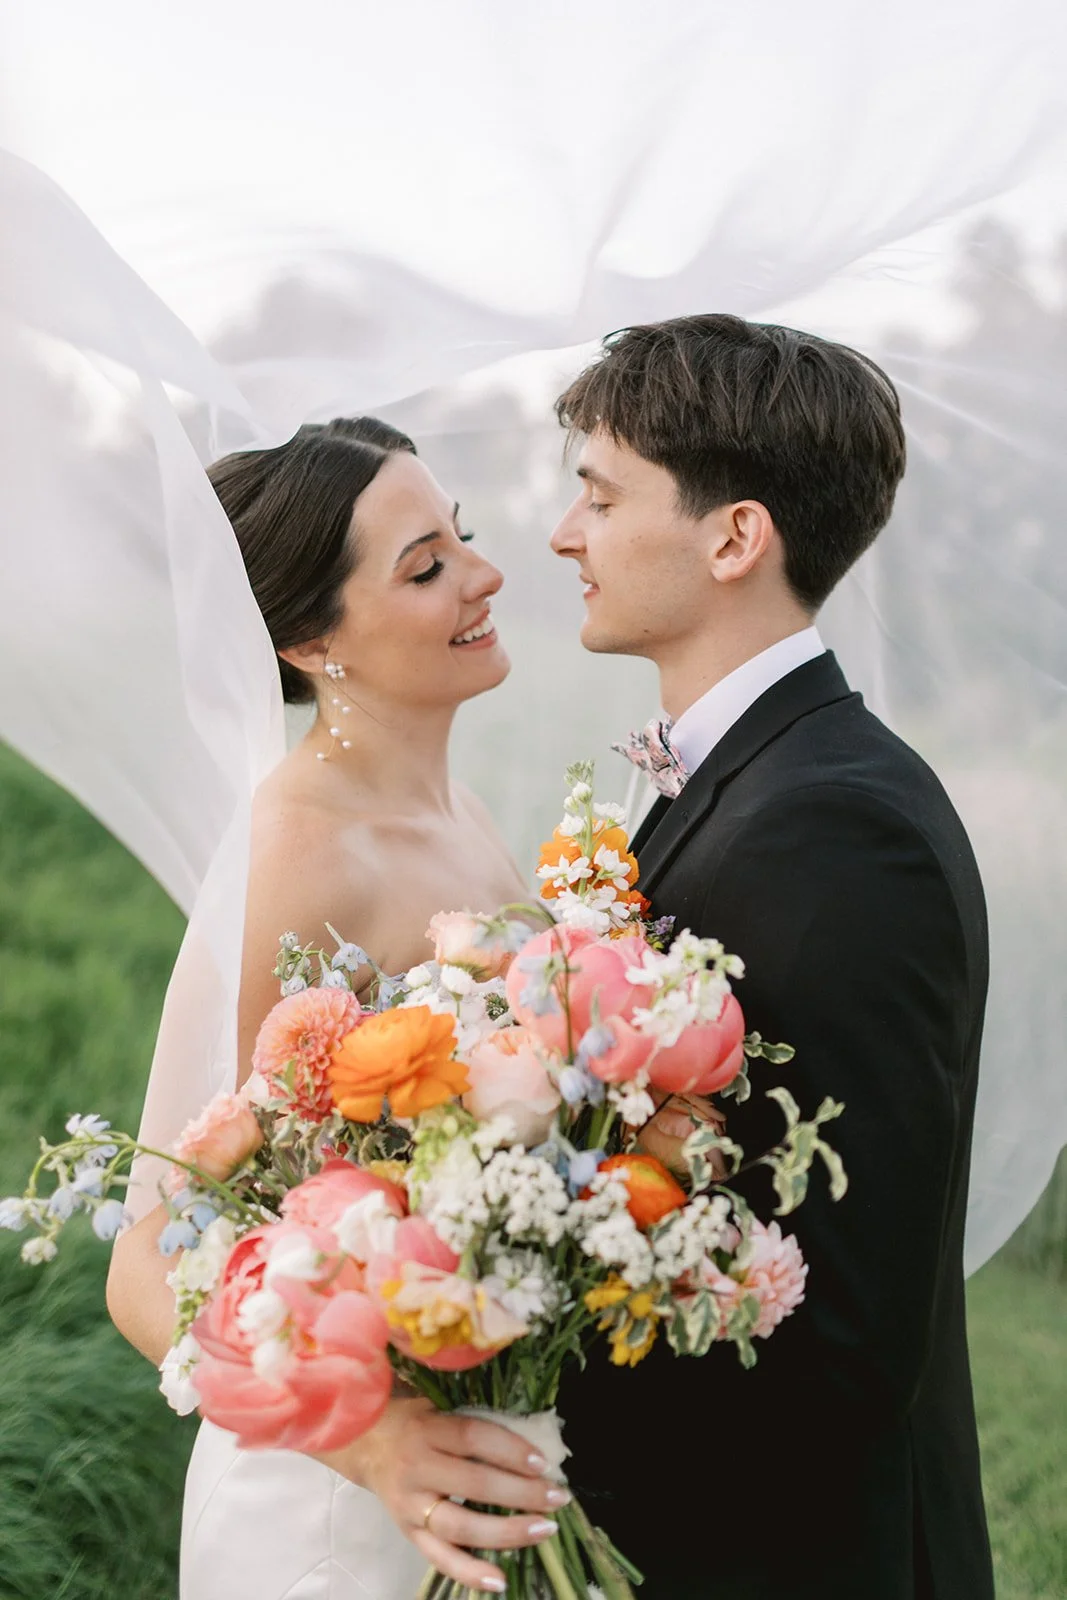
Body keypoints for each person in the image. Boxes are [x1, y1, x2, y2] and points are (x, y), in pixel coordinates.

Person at [550, 315, 995, 1599]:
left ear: (733, 536)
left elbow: (843, 1334)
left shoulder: (839, 825)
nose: (563, 535)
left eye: (597, 493)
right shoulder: (752, 782)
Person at [106, 417, 568, 1599]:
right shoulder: (298, 853)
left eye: (460, 535)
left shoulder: (461, 811)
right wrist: (371, 1442)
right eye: (425, 567)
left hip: (485, 1441)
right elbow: (147, 1264)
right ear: (314, 639)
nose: (485, 572)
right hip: (332, 1508)